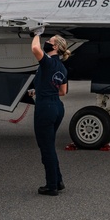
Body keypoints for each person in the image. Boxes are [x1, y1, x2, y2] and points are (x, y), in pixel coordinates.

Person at [31, 27, 71, 195]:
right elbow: (63, 91)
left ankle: (51, 185)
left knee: (46, 148)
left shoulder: (47, 62)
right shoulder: (62, 68)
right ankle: (58, 180)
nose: (47, 43)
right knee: (49, 146)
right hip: (57, 107)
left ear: (55, 48)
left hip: (45, 107)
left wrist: (36, 34)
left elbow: (35, 48)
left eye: (50, 41)